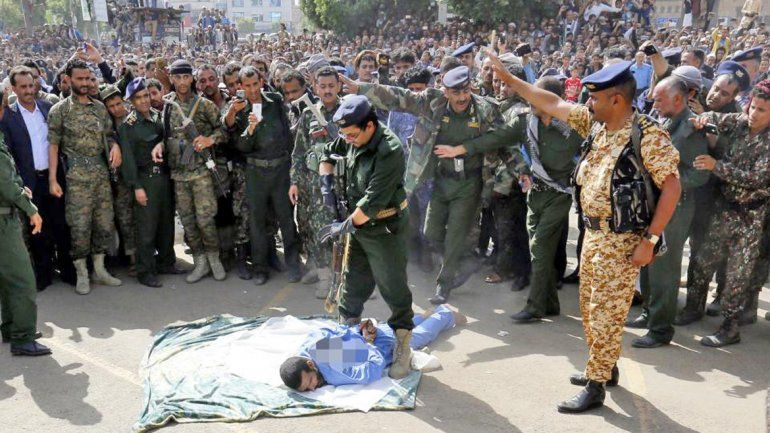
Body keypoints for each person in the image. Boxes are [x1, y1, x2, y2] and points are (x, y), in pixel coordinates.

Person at [487, 52, 681, 413]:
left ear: (616, 100)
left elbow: (672, 187)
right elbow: (554, 102)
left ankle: (595, 386)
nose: (586, 103)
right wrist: (513, 82)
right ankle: (606, 367)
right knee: (592, 311)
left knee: (605, 312)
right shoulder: (596, 124)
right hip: (593, 235)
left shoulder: (646, 135)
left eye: (593, 98)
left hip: (621, 239)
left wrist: (650, 240)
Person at [338, 66, 505, 305]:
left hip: (469, 183)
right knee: (431, 233)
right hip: (441, 179)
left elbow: (502, 140)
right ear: (444, 91)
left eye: (466, 91)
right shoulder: (432, 102)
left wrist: (520, 172)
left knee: (455, 235)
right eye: (455, 93)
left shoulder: (485, 109)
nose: (461, 98)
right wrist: (363, 89)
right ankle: (464, 261)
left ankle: (443, 285)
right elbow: (399, 98)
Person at [317, 95, 414, 379]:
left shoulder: (389, 149)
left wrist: (344, 225)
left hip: (385, 228)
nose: (347, 140)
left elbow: (373, 202)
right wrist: (327, 187)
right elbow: (327, 153)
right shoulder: (350, 136)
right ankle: (347, 338)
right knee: (353, 284)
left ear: (370, 126)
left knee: (393, 287)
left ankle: (403, 346)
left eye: (352, 135)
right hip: (358, 226)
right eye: (344, 135)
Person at [683, 79, 770, 347]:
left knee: (736, 274)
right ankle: (693, 308)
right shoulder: (741, 122)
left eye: (761, 110)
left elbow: (756, 179)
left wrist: (716, 166)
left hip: (750, 217)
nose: (753, 114)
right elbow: (715, 117)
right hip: (724, 209)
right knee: (703, 260)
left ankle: (730, 328)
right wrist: (701, 120)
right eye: (752, 107)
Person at [626, 77, 708, 348]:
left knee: (664, 267)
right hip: (656, 203)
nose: (654, 103)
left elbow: (699, 174)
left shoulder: (691, 129)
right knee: (649, 261)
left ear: (677, 99)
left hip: (677, 206)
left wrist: (666, 179)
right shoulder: (664, 123)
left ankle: (661, 329)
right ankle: (650, 312)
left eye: (659, 99)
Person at [47, 59, 123, 295]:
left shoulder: (99, 108)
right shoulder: (60, 110)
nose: (85, 83)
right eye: (80, 79)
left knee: (103, 223)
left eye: (88, 79)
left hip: (100, 174)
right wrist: (52, 179)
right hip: (76, 177)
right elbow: (53, 145)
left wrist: (115, 146)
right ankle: (82, 272)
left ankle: (99, 270)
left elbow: (109, 135)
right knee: (79, 226)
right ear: (69, 80)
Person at [0, 66, 75, 291]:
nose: (28, 90)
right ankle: (44, 274)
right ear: (14, 88)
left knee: (61, 224)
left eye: (31, 85)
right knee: (38, 230)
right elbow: (10, 154)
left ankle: (68, 270)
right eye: (22, 87)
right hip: (29, 183)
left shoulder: (48, 108)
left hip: (53, 177)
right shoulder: (8, 117)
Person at [280, 305, 466, 390]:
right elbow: (334, 332)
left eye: (310, 381)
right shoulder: (311, 347)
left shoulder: (333, 372)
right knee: (401, 325)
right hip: (372, 331)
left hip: (382, 344)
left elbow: (372, 369)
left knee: (421, 336)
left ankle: (446, 314)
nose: (313, 388)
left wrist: (368, 344)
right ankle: (424, 316)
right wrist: (359, 333)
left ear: (310, 365)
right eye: (307, 388)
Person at [229, 66, 301, 285]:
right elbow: (241, 146)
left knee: (286, 219)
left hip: (280, 170)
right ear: (240, 86)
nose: (252, 90)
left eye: (255, 84)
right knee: (257, 222)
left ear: (261, 81)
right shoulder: (239, 110)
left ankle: (294, 265)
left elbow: (287, 135)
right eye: (247, 85)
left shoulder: (275, 101)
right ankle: (260, 269)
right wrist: (249, 130)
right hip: (256, 172)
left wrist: (290, 167)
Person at [161, 59, 226, 283]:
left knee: (206, 219)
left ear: (192, 79)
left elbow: (223, 131)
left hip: (201, 173)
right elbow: (162, 133)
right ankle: (200, 260)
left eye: (186, 77)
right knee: (188, 221)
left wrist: (209, 139)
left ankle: (214, 258)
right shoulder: (167, 105)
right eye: (177, 77)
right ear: (171, 79)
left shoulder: (205, 105)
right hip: (178, 175)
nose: (181, 82)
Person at [0, 89, 51, 356]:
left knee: (7, 279)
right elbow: (6, 182)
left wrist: (19, 189)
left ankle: (11, 327)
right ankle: (23, 337)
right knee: (22, 279)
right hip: (4, 220)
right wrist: (31, 209)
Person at [118, 78, 179, 288]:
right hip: (145, 180)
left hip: (163, 177)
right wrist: (137, 187)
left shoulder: (157, 117)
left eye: (146, 96)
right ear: (131, 102)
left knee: (166, 223)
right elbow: (128, 160)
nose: (144, 101)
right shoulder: (128, 127)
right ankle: (145, 271)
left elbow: (166, 140)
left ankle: (166, 262)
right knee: (146, 228)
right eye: (138, 98)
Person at [290, 66, 341, 296]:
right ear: (315, 88)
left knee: (347, 231)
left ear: (339, 86)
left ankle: (350, 280)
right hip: (315, 186)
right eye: (323, 86)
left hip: (343, 183)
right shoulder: (309, 114)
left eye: (332, 86)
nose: (328, 90)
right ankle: (325, 277)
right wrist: (295, 182)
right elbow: (299, 152)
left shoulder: (349, 110)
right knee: (320, 230)